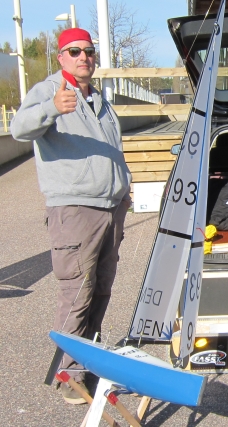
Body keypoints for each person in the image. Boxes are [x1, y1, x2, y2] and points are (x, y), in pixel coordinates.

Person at [11, 28, 131, 404]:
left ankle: (87, 365)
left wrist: (126, 189)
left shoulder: (99, 99)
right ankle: (70, 377)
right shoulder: (49, 91)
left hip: (111, 208)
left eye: (89, 52)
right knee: (76, 294)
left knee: (101, 290)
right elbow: (19, 129)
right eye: (75, 51)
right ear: (61, 57)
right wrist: (52, 108)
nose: (84, 57)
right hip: (75, 209)